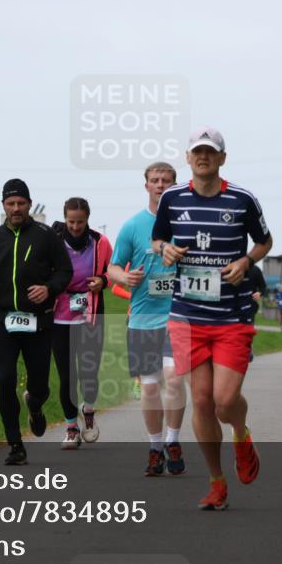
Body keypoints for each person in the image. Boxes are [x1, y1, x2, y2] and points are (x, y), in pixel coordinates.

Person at [152, 127, 273, 510]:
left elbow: (265, 241)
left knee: (224, 401)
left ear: (222, 158)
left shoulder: (242, 199)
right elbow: (158, 239)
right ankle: (216, 482)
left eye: (210, 152)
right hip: (187, 316)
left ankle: (240, 432)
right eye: (196, 152)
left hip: (232, 316)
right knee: (202, 402)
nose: (203, 157)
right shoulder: (172, 198)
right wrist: (165, 250)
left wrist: (245, 261)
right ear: (188, 159)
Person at [0, 179, 72, 466]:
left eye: (21, 203)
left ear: (29, 204)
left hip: (38, 322)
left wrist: (48, 289)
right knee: (5, 381)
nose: (16, 208)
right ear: (3, 205)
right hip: (3, 320)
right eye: (10, 203)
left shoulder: (45, 235)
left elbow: (64, 271)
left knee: (39, 384)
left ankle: (36, 405)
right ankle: (15, 444)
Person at [108, 162, 188, 476]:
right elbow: (112, 268)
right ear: (146, 186)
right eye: (155, 181)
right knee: (151, 388)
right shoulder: (132, 226)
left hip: (178, 317)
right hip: (142, 319)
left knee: (174, 378)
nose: (160, 185)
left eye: (166, 181)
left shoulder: (185, 224)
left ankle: (173, 440)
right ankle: (155, 446)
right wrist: (124, 278)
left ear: (174, 185)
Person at [51, 197, 112, 449]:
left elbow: (114, 269)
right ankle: (71, 427)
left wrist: (103, 281)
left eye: (80, 221)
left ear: (88, 219)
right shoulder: (53, 241)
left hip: (91, 315)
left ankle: (88, 410)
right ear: (64, 219)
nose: (75, 226)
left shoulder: (100, 242)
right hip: (60, 317)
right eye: (71, 221)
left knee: (88, 373)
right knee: (67, 376)